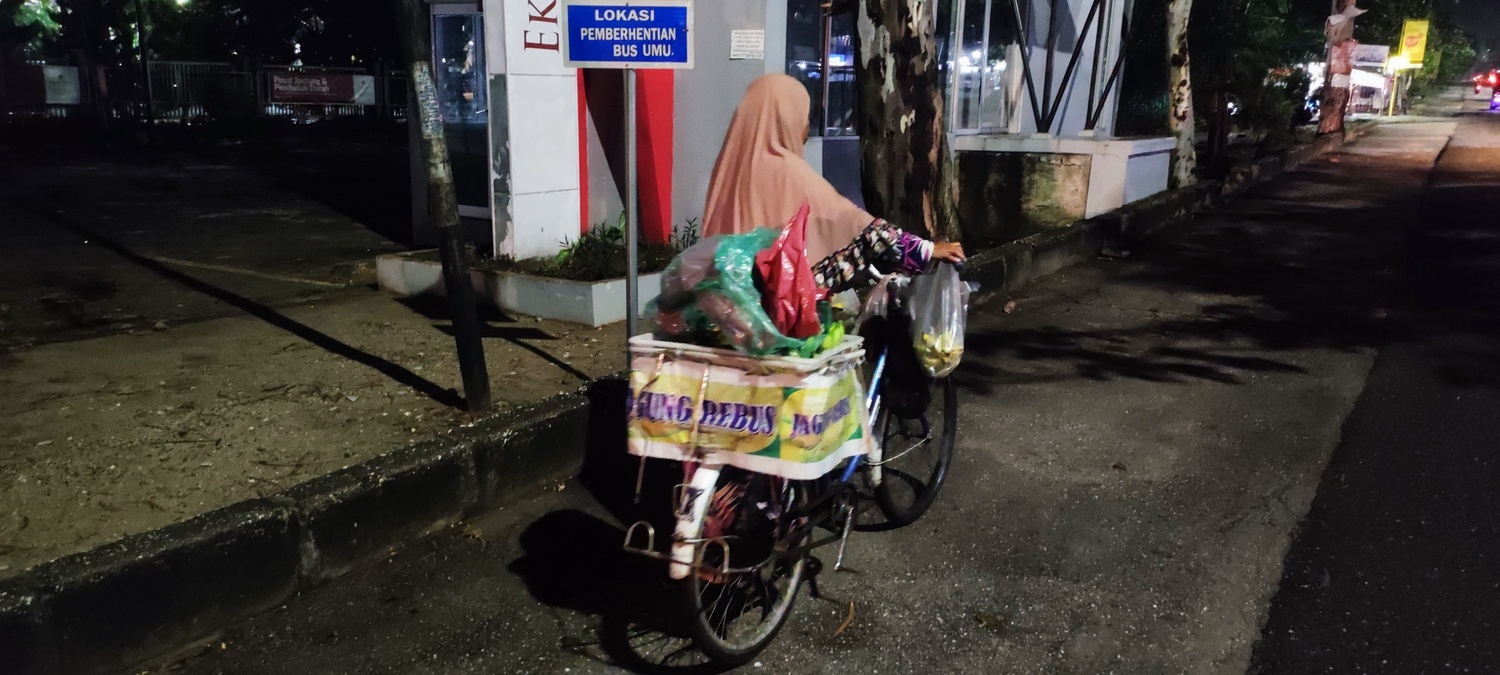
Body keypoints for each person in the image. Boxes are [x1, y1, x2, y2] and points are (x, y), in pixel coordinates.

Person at [701, 73, 964, 293]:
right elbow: (857, 226)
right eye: (804, 117)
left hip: (721, 312)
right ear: (785, 118)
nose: (805, 128)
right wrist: (925, 249)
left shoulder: (728, 171)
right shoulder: (789, 172)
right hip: (770, 318)